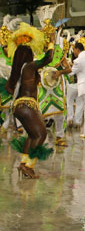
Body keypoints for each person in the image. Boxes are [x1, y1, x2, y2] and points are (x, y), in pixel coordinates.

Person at [7, 23, 55, 179]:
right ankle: (29, 166)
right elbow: (49, 58)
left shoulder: (20, 69)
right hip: (27, 106)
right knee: (41, 135)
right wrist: (51, 42)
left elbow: (10, 89)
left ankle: (23, 163)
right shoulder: (28, 67)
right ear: (27, 55)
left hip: (20, 107)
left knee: (32, 135)